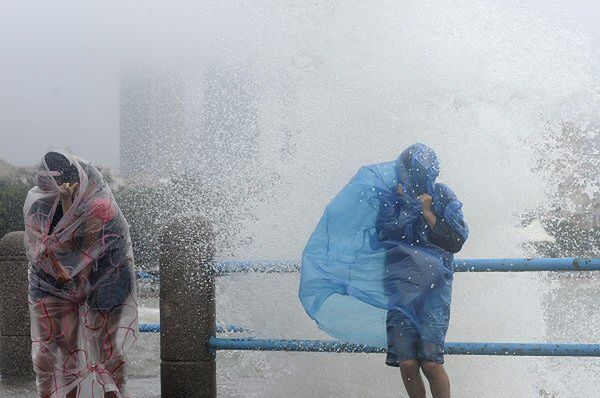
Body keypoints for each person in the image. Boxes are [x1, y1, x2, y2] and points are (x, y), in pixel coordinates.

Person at [300, 143, 468, 398]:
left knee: (432, 363)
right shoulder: (391, 198)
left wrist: (426, 212)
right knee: (408, 363)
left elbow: (455, 241)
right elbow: (382, 235)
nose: (412, 177)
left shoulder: (442, 195)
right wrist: (407, 207)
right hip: (399, 289)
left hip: (433, 291)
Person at [24, 149, 138, 398]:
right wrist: (62, 270)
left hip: (107, 278)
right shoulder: (38, 203)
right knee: (53, 349)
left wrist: (76, 280)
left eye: (50, 176)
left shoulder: (97, 205)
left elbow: (82, 251)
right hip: (51, 281)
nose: (44, 181)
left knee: (103, 346)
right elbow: (40, 247)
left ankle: (115, 392)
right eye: (41, 176)